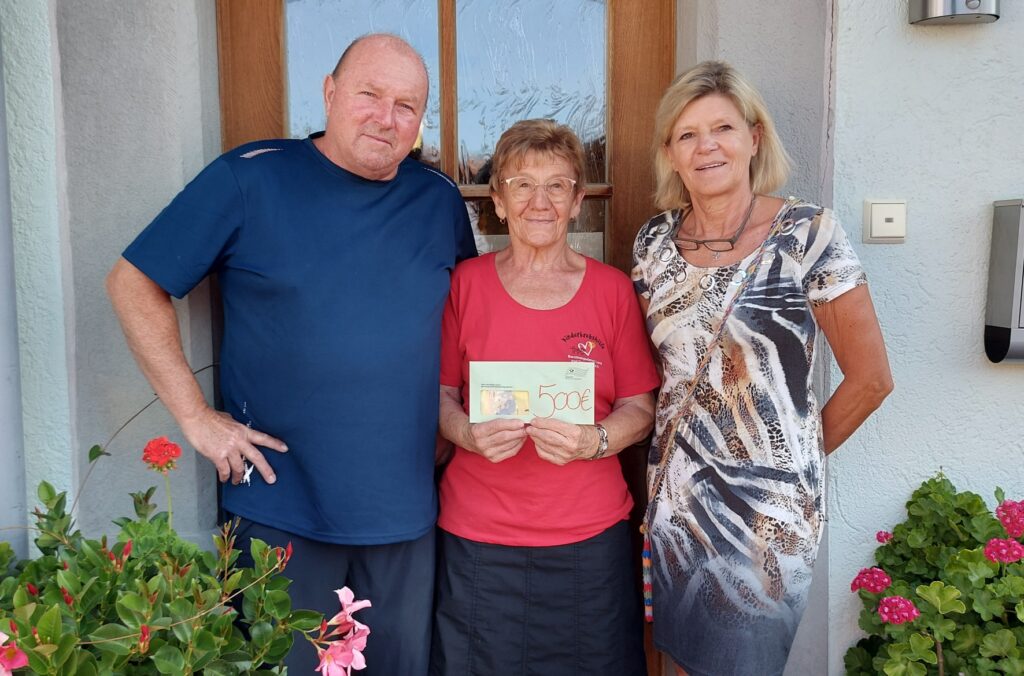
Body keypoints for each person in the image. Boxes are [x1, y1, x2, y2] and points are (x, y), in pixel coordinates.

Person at [106, 33, 476, 674]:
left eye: (407, 105)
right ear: (330, 93)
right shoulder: (250, 177)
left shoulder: (437, 200)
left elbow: (472, 325)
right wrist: (197, 419)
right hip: (280, 508)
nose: (387, 118)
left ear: (421, 122)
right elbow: (133, 282)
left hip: (406, 512)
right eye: (370, 94)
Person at [632, 61, 894, 676]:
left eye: (722, 127)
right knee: (670, 663)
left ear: (754, 137)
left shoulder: (807, 234)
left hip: (763, 519)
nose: (707, 146)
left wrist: (787, 465)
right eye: (687, 134)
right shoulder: (652, 245)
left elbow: (872, 378)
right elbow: (661, 373)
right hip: (675, 504)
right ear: (670, 154)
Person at [431, 119, 660, 676]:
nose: (540, 201)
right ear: (498, 203)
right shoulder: (464, 283)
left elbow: (640, 405)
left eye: (557, 185)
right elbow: (438, 393)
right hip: (479, 537)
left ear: (577, 201)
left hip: (588, 538)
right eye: (521, 184)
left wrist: (595, 440)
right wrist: (465, 432)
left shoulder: (612, 290)